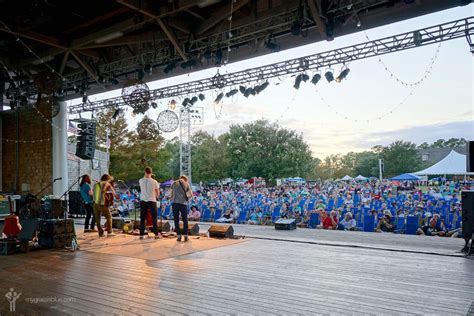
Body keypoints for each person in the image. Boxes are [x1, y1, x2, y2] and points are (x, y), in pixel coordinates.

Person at [139, 167, 161, 240]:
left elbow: (144, 180)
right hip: (152, 200)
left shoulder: (140, 180)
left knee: (142, 218)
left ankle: (141, 234)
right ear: (151, 173)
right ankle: (156, 234)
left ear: (145, 172)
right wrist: (155, 195)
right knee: (154, 218)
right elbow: (158, 193)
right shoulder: (154, 182)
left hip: (143, 200)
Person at [171, 175, 193, 242]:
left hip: (175, 203)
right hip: (183, 204)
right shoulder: (186, 184)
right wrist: (186, 198)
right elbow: (190, 195)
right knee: (185, 220)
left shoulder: (174, 183)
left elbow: (170, 194)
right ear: (185, 179)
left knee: (176, 220)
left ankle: (179, 236)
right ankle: (186, 235)